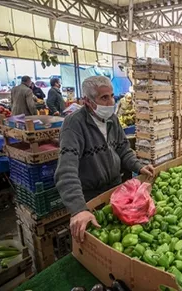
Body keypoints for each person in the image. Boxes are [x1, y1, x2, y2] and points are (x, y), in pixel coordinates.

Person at [55, 76, 155, 243]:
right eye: (104, 97)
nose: (110, 102)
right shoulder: (74, 125)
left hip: (116, 190)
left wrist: (138, 166)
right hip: (91, 196)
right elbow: (66, 170)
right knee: (98, 239)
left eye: (111, 96)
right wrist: (79, 209)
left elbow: (123, 149)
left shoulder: (112, 119)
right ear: (87, 101)